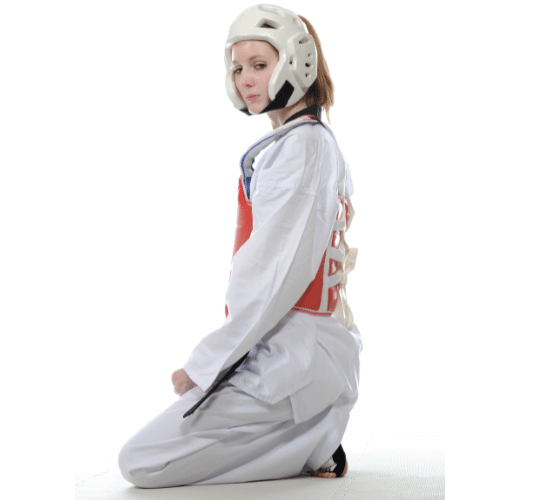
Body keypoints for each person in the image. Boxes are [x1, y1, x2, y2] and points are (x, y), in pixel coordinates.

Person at [118, 4, 362, 488]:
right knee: (152, 454)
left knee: (141, 462)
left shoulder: (302, 147)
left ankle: (312, 439)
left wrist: (206, 363)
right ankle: (314, 430)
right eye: (237, 68)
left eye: (259, 64)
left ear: (295, 62)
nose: (245, 79)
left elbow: (273, 274)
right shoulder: (299, 142)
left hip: (297, 353)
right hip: (298, 346)